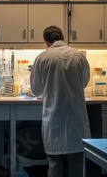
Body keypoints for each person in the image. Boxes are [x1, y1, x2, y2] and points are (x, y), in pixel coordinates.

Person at [29, 25, 91, 177]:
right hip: (76, 117)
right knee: (77, 162)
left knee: (54, 163)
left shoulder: (43, 57)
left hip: (54, 116)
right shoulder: (78, 56)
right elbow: (84, 82)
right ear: (63, 37)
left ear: (46, 41)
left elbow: (37, 90)